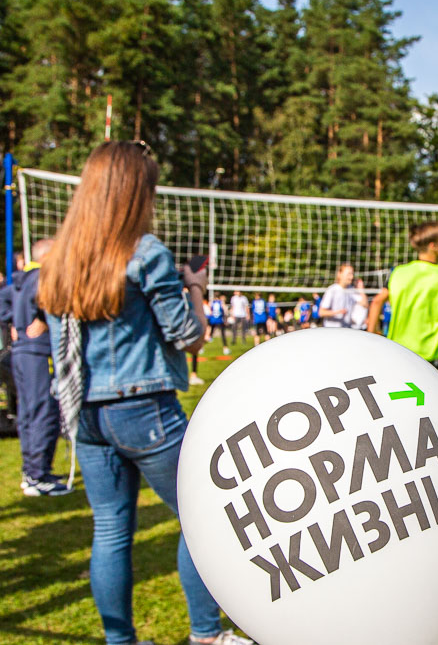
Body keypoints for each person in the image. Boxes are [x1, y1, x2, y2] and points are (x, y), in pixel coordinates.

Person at [37, 141, 253, 645]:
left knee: (111, 532)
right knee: (205, 518)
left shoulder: (59, 261)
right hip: (144, 408)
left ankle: (121, 641)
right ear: (134, 193)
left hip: (85, 414)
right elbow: (190, 335)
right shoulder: (146, 252)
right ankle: (206, 634)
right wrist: (195, 288)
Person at [0, 238, 70, 496]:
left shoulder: (21, 279)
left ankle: (32, 471)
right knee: (41, 411)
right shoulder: (41, 277)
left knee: (30, 412)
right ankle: (38, 476)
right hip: (37, 352)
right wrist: (36, 320)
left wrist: (14, 325)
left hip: (23, 353)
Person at [367, 221, 438, 372]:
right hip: (430, 352)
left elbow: (376, 302)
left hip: (399, 350)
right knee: (431, 394)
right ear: (432, 245)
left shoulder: (398, 272)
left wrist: (371, 337)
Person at [182, 255, 209, 385]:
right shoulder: (181, 293)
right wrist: (196, 286)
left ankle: (193, 375)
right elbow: (197, 341)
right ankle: (190, 375)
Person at [319, 263, 368, 329]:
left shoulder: (351, 290)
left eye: (352, 274)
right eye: (349, 274)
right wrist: (337, 312)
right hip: (331, 331)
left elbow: (364, 304)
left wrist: (361, 289)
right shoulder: (332, 290)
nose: (351, 277)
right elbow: (321, 312)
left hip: (347, 331)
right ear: (340, 274)